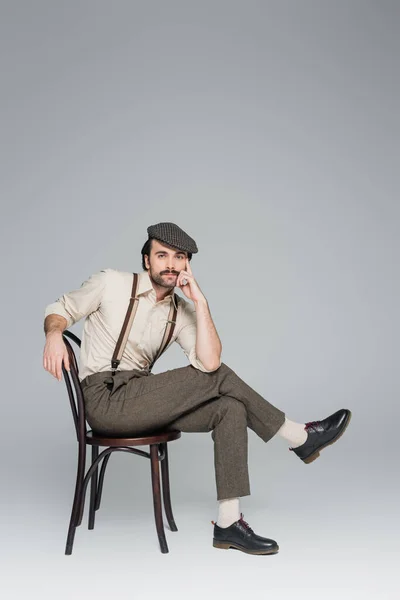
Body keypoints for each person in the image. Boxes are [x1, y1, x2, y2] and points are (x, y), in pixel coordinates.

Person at [43, 221, 352, 555]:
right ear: (147, 259)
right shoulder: (111, 283)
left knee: (229, 408)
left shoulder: (181, 310)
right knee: (217, 379)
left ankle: (228, 524)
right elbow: (60, 309)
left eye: (179, 257)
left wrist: (200, 302)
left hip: (143, 398)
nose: (171, 264)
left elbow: (209, 361)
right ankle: (299, 437)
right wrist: (54, 334)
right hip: (106, 401)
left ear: (187, 264)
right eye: (162, 255)